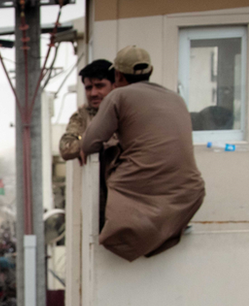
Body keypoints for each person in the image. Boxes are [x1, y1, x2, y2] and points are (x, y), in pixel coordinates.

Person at [81, 45, 206, 262]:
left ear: (117, 75)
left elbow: (91, 143)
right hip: (190, 191)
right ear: (150, 71)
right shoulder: (176, 98)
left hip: (139, 186)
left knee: (111, 158)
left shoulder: (118, 96)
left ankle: (130, 233)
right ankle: (170, 227)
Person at [59, 59, 115, 162]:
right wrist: (85, 146)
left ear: (114, 85)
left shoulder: (125, 110)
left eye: (99, 86)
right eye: (88, 88)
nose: (93, 93)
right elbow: (66, 147)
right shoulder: (82, 115)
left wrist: (89, 145)